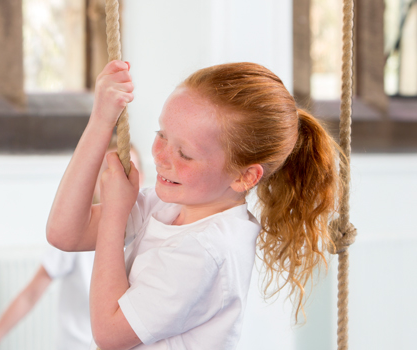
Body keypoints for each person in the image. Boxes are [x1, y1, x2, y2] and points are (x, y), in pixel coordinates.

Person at [47, 61, 341, 350]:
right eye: (161, 134)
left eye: (184, 154)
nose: (161, 156)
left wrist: (114, 212)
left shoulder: (208, 249)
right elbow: (65, 233)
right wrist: (101, 120)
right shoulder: (168, 205)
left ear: (244, 176)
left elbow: (109, 334)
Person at [0, 142, 142, 350]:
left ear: (140, 178)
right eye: (110, 171)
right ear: (99, 180)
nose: (119, 179)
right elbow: (30, 294)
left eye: (128, 171)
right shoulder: (75, 236)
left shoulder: (148, 233)